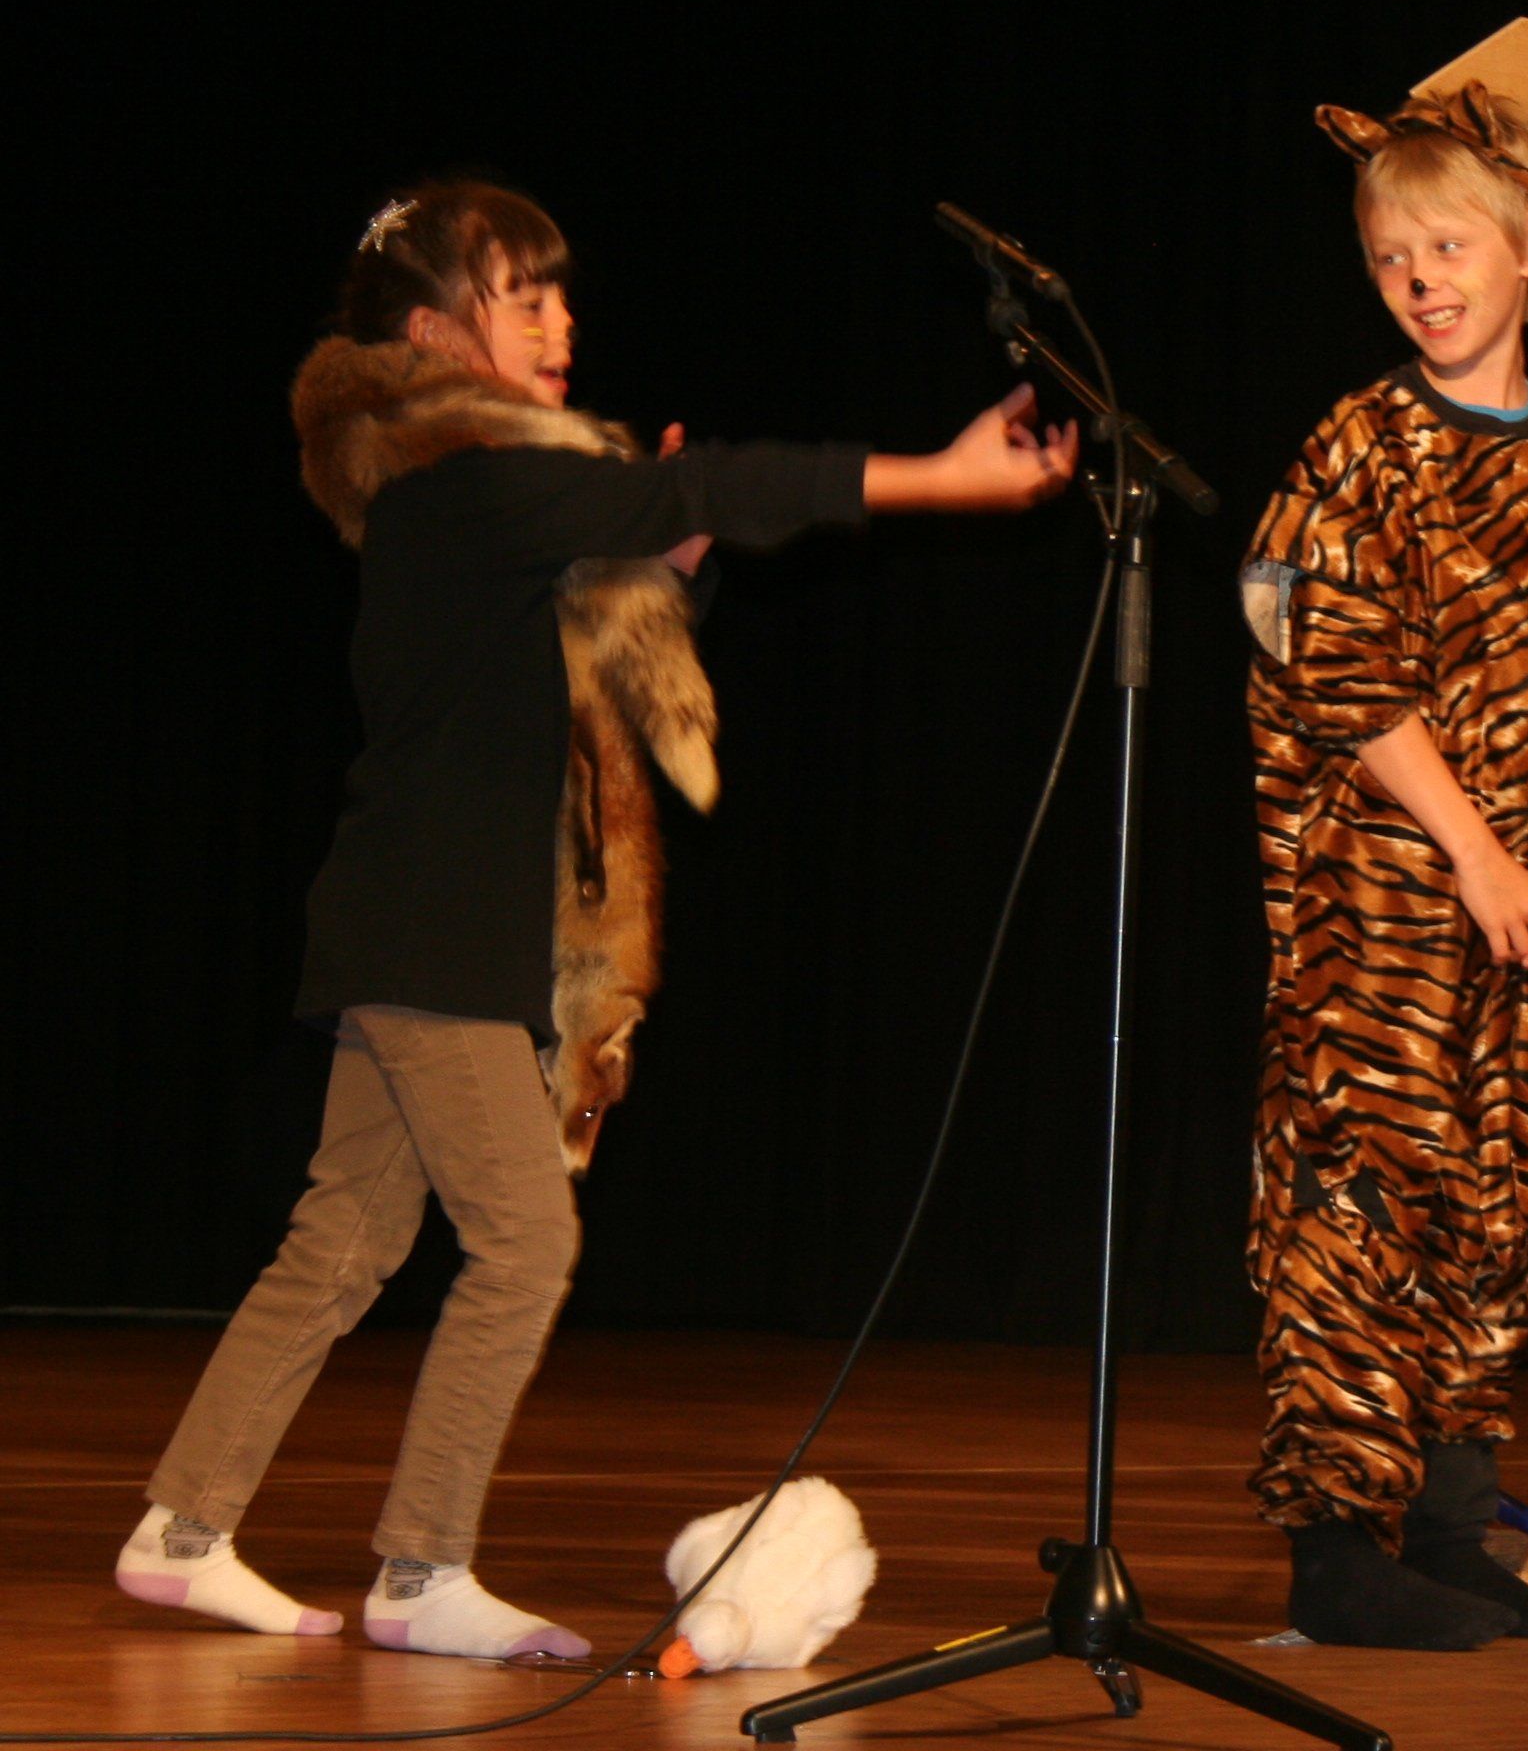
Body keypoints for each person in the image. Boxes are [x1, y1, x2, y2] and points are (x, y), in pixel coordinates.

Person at [118, 181, 1078, 1660]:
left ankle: (181, 1533)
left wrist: (666, 563)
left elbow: (572, 650)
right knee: (522, 1244)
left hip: (418, 934)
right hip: (429, 944)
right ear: (433, 334)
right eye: (525, 298)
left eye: (564, 296)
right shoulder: (465, 486)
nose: (562, 324)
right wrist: (939, 477)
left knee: (341, 1246)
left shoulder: (465, 508)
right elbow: (710, 486)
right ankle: (423, 1568)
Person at [1241, 83, 1528, 1649]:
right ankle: (1337, 1541)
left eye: (1448, 246)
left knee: (1501, 1197)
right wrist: (1475, 857)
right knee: (1366, 1195)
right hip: (1389, 911)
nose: (1420, 278)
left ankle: (1446, 1516)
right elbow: (1329, 663)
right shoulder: (1366, 443)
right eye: (1390, 256)